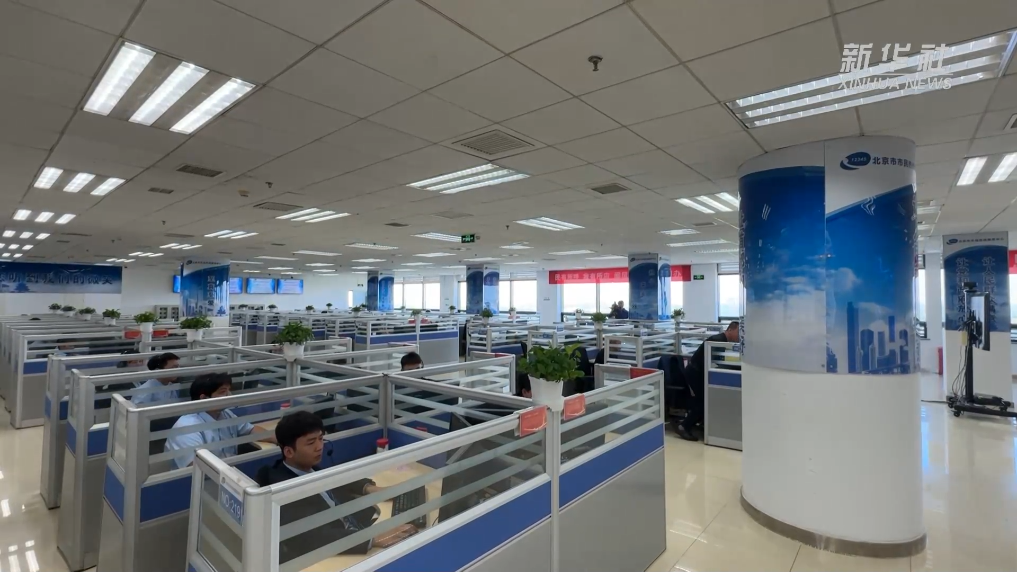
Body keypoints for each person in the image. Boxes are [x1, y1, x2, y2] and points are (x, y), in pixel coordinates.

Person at [256, 411, 413, 562]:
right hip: (341, 545)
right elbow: (311, 537)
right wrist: (371, 538)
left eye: (321, 439)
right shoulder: (284, 489)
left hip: (356, 527)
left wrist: (369, 488)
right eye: (311, 442)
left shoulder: (308, 467)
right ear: (289, 452)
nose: (319, 446)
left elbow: (335, 479)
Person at [165, 373, 273, 469]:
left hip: (228, 473)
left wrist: (277, 439)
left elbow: (251, 430)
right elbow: (198, 468)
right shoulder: (186, 427)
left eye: (229, 391)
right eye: (223, 392)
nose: (229, 396)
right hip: (203, 480)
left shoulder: (225, 414)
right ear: (204, 398)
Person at [674, 321, 739, 442]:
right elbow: (715, 361)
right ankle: (684, 426)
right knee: (704, 401)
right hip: (695, 373)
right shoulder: (717, 340)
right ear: (730, 330)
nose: (739, 336)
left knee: (706, 399)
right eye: (738, 332)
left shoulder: (723, 341)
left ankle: (699, 424)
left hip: (700, 372)